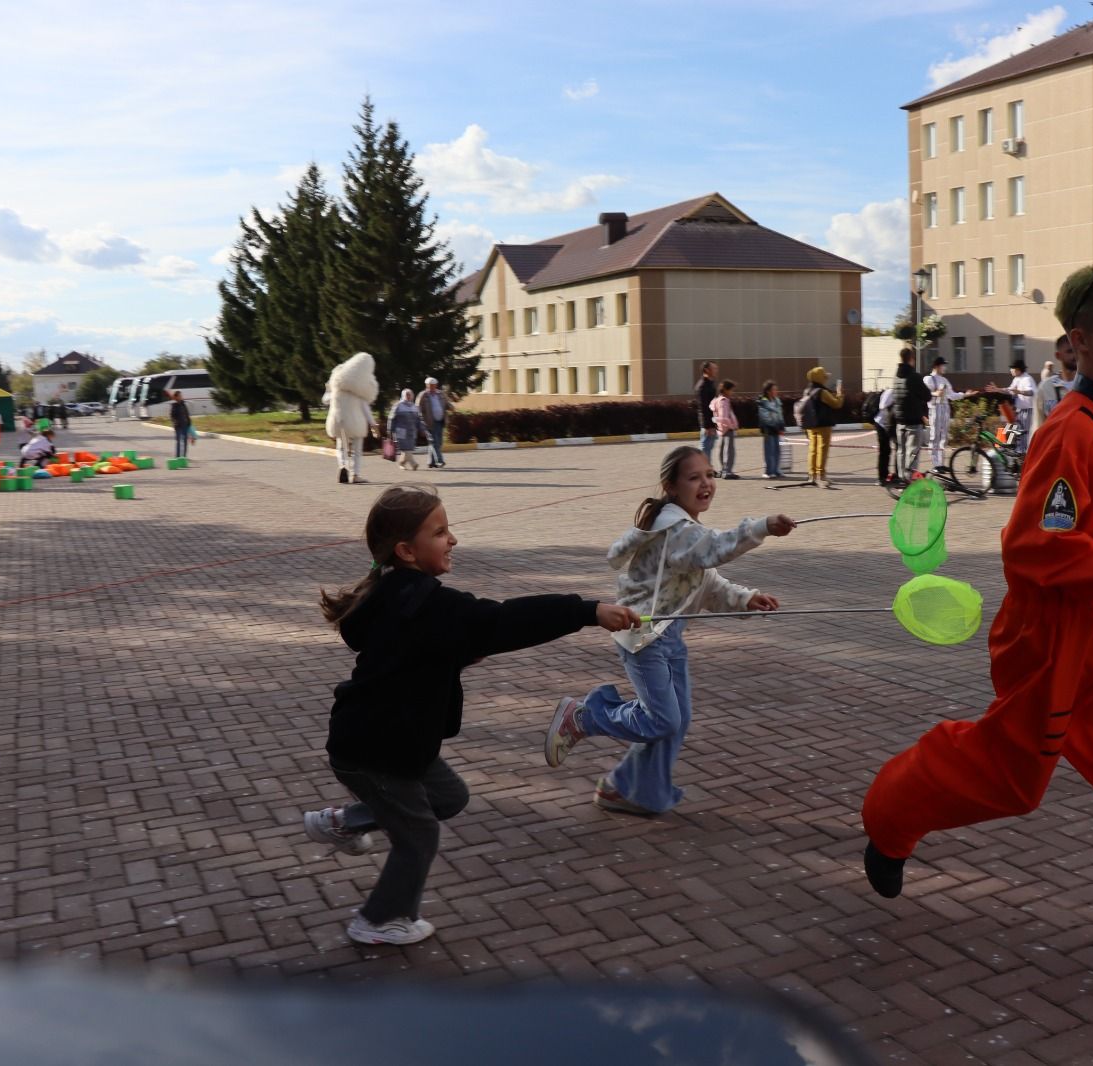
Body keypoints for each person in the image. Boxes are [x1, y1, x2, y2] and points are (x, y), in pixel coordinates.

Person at [860, 261, 1093, 957]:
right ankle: (888, 818)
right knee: (1010, 781)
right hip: (1051, 645)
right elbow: (1034, 550)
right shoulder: (1073, 431)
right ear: (1078, 342)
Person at [307, 484, 637, 945]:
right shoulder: (429, 603)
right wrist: (588, 611)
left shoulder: (391, 591)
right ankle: (379, 921)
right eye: (440, 532)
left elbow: (406, 650)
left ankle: (345, 822)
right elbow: (503, 621)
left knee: (448, 798)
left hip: (394, 741)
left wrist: (453, 654)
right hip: (376, 749)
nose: (453, 540)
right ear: (406, 550)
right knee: (418, 835)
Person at [544, 447, 795, 814]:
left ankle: (626, 789)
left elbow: (705, 582)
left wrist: (746, 598)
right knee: (662, 719)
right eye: (694, 477)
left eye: (710, 474)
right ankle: (584, 716)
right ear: (671, 486)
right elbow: (716, 549)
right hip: (643, 636)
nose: (706, 483)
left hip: (668, 636)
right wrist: (762, 527)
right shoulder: (676, 530)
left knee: (676, 721)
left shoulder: (684, 530)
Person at [325, 352, 378, 485]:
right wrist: (373, 424)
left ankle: (343, 466)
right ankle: (355, 474)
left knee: (341, 447)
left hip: (338, 420)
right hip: (356, 423)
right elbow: (365, 408)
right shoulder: (361, 388)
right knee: (357, 450)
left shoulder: (337, 383)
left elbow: (326, 400)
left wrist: (331, 393)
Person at [799, 365, 843, 489]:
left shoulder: (806, 390)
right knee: (822, 450)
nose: (826, 379)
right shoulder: (822, 392)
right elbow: (836, 404)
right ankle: (821, 475)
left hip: (810, 425)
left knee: (812, 449)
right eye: (824, 377)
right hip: (823, 424)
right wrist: (839, 393)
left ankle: (811, 475)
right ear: (820, 379)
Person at [923, 355, 970, 470]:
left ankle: (941, 463)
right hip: (935, 408)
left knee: (944, 437)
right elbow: (925, 394)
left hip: (945, 408)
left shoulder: (944, 380)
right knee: (935, 436)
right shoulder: (929, 379)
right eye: (943, 365)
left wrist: (965, 395)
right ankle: (935, 464)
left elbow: (951, 395)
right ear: (936, 366)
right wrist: (935, 393)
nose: (945, 368)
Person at [891, 348, 931, 479]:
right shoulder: (914, 377)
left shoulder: (895, 377)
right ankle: (910, 481)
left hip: (899, 420)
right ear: (911, 359)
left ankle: (902, 479)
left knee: (901, 451)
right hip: (913, 420)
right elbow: (927, 395)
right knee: (912, 453)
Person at [1034, 335, 1080, 434]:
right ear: (1058, 356)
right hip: (1054, 447)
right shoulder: (1045, 387)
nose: (1075, 356)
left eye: (1077, 351)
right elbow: (1037, 425)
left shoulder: (1089, 385)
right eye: (1070, 351)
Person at [710, 380, 740, 479]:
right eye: (731, 390)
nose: (732, 392)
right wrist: (732, 426)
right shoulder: (724, 401)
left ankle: (724, 470)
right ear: (726, 390)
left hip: (720, 429)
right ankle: (728, 472)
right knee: (729, 451)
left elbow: (713, 411)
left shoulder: (717, 400)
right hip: (727, 429)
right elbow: (724, 417)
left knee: (722, 450)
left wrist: (717, 422)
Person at [388, 388, 423, 472]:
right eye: (407, 394)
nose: (408, 396)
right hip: (401, 431)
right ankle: (413, 463)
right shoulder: (398, 405)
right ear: (403, 395)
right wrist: (390, 430)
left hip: (412, 432)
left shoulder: (414, 406)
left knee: (409, 448)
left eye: (410, 394)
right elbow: (391, 418)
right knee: (405, 448)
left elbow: (418, 419)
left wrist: (422, 429)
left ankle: (401, 463)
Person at [755, 381, 784, 479]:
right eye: (774, 390)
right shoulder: (763, 402)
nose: (776, 391)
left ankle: (776, 470)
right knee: (769, 451)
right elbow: (766, 418)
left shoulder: (776, 400)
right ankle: (768, 471)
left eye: (776, 389)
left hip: (776, 429)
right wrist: (775, 427)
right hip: (768, 430)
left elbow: (780, 415)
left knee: (777, 450)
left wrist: (781, 426)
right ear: (768, 391)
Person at [419, 377, 449, 469]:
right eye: (430, 385)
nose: (432, 387)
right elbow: (418, 408)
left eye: (433, 385)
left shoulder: (440, 394)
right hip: (429, 422)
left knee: (438, 442)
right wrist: (421, 422)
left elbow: (446, 403)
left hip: (440, 421)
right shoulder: (423, 395)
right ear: (426, 385)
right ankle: (439, 461)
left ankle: (430, 462)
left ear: (436, 385)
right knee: (434, 442)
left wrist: (451, 406)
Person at [871, 383, 896, 486]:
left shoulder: (900, 392)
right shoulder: (890, 391)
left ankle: (888, 475)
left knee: (889, 450)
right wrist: (894, 403)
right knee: (884, 450)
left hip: (889, 423)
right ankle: (881, 477)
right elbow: (882, 405)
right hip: (881, 423)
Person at [696, 361, 719, 461]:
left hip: (712, 422)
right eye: (714, 368)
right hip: (708, 424)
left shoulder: (710, 384)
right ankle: (703, 468)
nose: (716, 371)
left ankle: (707, 469)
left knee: (709, 447)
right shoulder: (703, 386)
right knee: (705, 447)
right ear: (706, 370)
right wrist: (707, 426)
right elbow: (704, 408)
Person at [169, 390, 192, 461]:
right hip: (178, 426)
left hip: (185, 425)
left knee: (185, 441)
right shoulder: (174, 405)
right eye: (179, 396)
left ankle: (184, 457)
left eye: (181, 395)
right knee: (178, 441)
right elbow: (172, 416)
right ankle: (178, 456)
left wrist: (189, 422)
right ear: (176, 397)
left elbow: (186, 414)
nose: (181, 397)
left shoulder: (183, 404)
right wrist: (175, 422)